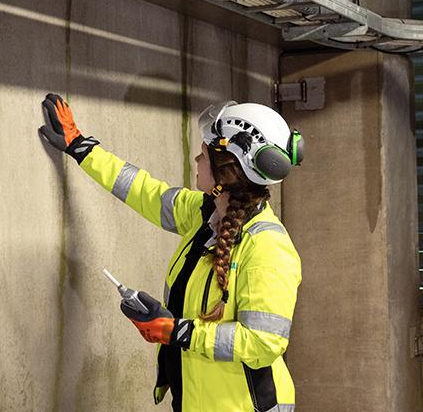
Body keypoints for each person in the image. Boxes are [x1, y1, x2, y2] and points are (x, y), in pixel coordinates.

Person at [39, 93, 304, 412]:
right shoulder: (207, 215)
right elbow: (144, 191)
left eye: (204, 154)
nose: (197, 160)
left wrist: (175, 329)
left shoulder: (267, 246)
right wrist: (81, 147)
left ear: (227, 170)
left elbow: (263, 342)